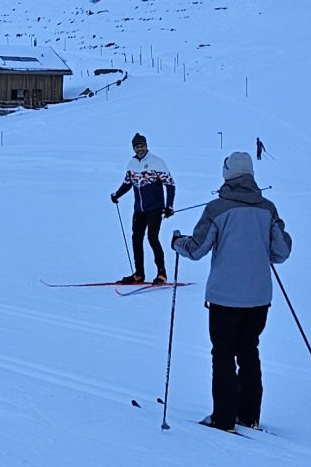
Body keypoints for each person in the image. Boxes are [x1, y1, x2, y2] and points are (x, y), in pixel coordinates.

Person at [171, 152, 293, 431]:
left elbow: (197, 248)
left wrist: (177, 242)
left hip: (225, 298)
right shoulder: (268, 208)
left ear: (227, 174)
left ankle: (223, 418)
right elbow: (281, 252)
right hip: (259, 298)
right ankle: (249, 416)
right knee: (249, 350)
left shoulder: (217, 208)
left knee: (223, 353)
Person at [109, 132, 177, 284]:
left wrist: (169, 206)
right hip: (139, 210)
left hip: (155, 208)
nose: (139, 149)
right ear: (133, 148)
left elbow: (170, 184)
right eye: (136, 147)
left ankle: (161, 274)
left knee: (153, 238)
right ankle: (139, 274)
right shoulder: (131, 164)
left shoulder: (157, 162)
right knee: (136, 240)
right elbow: (128, 183)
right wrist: (117, 195)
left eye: (142, 146)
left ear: (147, 146)